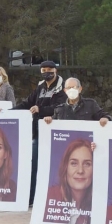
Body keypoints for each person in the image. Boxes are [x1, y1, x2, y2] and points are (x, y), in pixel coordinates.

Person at [13, 60, 67, 206]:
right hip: (38, 133)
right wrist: (9, 112)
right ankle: (31, 198)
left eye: (49, 69)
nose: (46, 72)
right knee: (33, 165)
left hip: (56, 134)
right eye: (43, 70)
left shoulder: (63, 89)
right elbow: (27, 103)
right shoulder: (40, 88)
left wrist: (41, 110)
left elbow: (61, 108)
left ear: (55, 71)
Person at [44, 139, 93, 224]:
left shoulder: (102, 205)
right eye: (74, 163)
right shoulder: (50, 195)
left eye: (87, 164)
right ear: (65, 167)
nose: (80, 171)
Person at [44, 77, 111, 126]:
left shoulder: (90, 104)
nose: (71, 90)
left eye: (74, 87)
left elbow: (105, 116)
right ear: (65, 90)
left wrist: (105, 118)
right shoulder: (60, 109)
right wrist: (48, 119)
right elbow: (52, 123)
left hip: (85, 142)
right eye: (68, 88)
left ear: (80, 89)